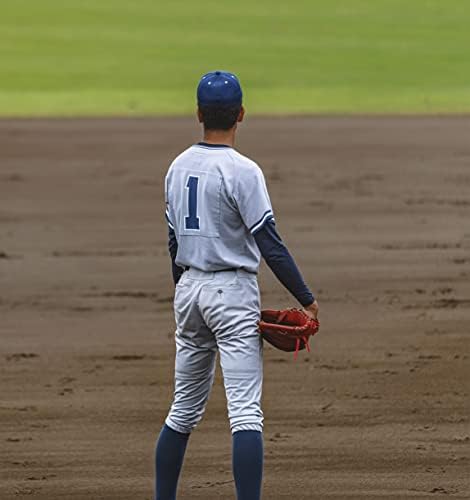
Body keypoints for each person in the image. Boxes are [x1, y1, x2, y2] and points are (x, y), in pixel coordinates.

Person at [155, 70, 319, 500]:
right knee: (246, 413)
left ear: (198, 114)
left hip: (188, 290)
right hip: (232, 294)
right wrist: (306, 297)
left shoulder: (177, 166)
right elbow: (269, 242)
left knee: (182, 411)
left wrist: (187, 291)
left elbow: (173, 241)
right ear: (241, 114)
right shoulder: (242, 171)